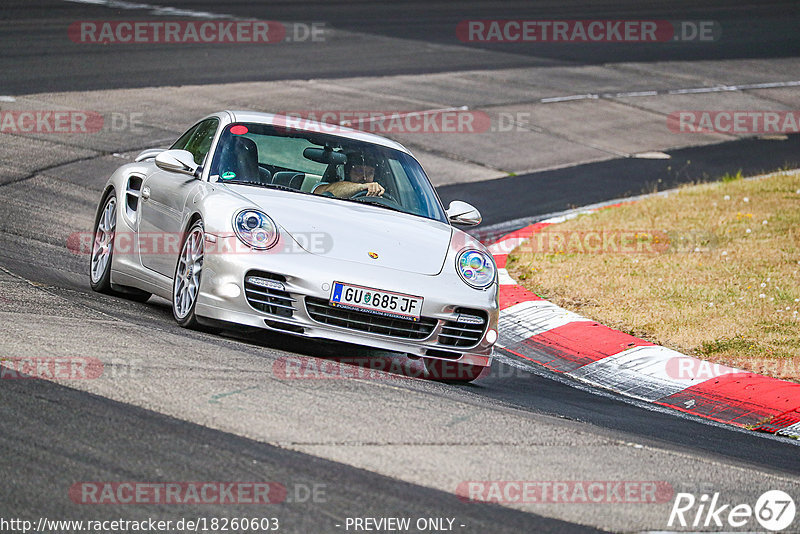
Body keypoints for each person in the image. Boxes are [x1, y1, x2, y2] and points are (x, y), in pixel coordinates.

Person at [313, 152, 385, 198]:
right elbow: (318, 192)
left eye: (370, 173)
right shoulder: (327, 186)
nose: (364, 177)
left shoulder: (381, 194)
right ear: (346, 173)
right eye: (359, 171)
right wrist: (362, 187)